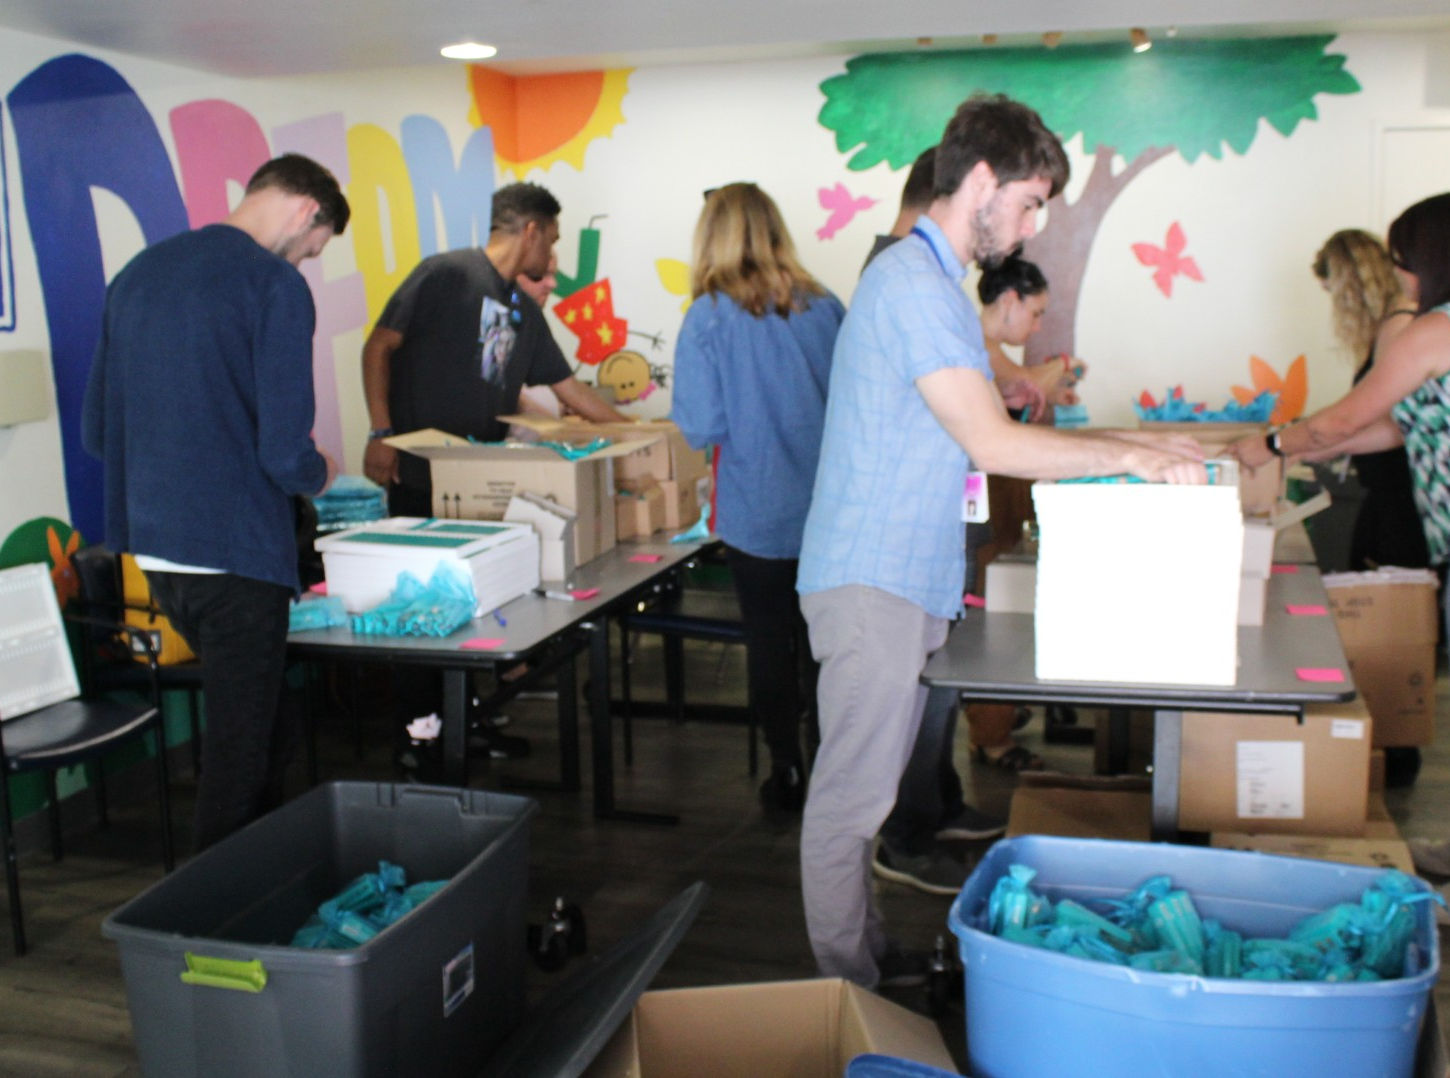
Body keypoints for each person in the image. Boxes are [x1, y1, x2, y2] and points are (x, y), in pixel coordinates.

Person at [796, 92, 1207, 989]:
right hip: (872, 581)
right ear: (980, 180)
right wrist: (1131, 456)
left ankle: (863, 967)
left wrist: (1127, 449)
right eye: (1027, 204)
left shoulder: (931, 285)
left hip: (897, 575)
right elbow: (993, 441)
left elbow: (988, 429)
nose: (1026, 230)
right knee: (849, 805)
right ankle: (845, 993)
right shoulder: (911, 284)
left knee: (865, 800)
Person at [82, 154, 349, 851]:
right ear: (304, 211)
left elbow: (96, 430)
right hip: (237, 562)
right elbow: (284, 454)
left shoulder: (137, 275)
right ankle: (207, 929)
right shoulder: (275, 287)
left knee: (269, 726)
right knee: (238, 757)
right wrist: (322, 470)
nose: (307, 262)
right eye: (314, 249)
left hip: (157, 558)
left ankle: (260, 878)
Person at [1228, 196, 1450, 831]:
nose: (1400, 277)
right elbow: (1391, 429)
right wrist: (1307, 439)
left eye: (1404, 261)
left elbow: (1352, 417)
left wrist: (1275, 443)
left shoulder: (1431, 329)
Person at [670, 183, 845, 824]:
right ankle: (833, 764)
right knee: (825, 648)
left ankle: (785, 767)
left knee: (770, 645)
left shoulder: (708, 316)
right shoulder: (825, 306)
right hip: (832, 512)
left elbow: (700, 424)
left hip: (757, 511)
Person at [361, 182, 627, 515]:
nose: (550, 253)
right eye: (552, 240)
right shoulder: (446, 273)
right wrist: (381, 432)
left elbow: (570, 388)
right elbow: (378, 347)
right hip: (417, 475)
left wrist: (634, 429)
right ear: (532, 232)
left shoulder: (524, 311)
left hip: (480, 481)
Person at [1307, 230, 1427, 572]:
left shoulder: (1399, 327)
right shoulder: (1395, 325)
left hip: (1403, 496)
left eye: (1334, 295)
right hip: (1387, 493)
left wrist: (1307, 444)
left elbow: (1394, 423)